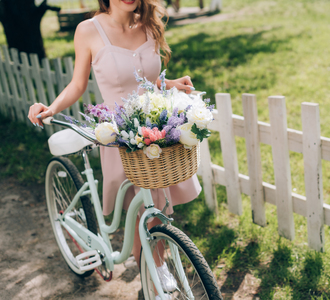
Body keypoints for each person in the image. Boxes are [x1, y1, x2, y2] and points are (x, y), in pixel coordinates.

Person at [27, 0, 202, 297]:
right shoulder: (88, 30)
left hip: (152, 128)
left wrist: (171, 84)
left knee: (156, 205)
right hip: (120, 136)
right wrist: (51, 108)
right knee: (139, 209)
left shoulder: (149, 23)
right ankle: (156, 270)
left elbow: (146, 80)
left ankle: (156, 265)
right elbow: (77, 84)